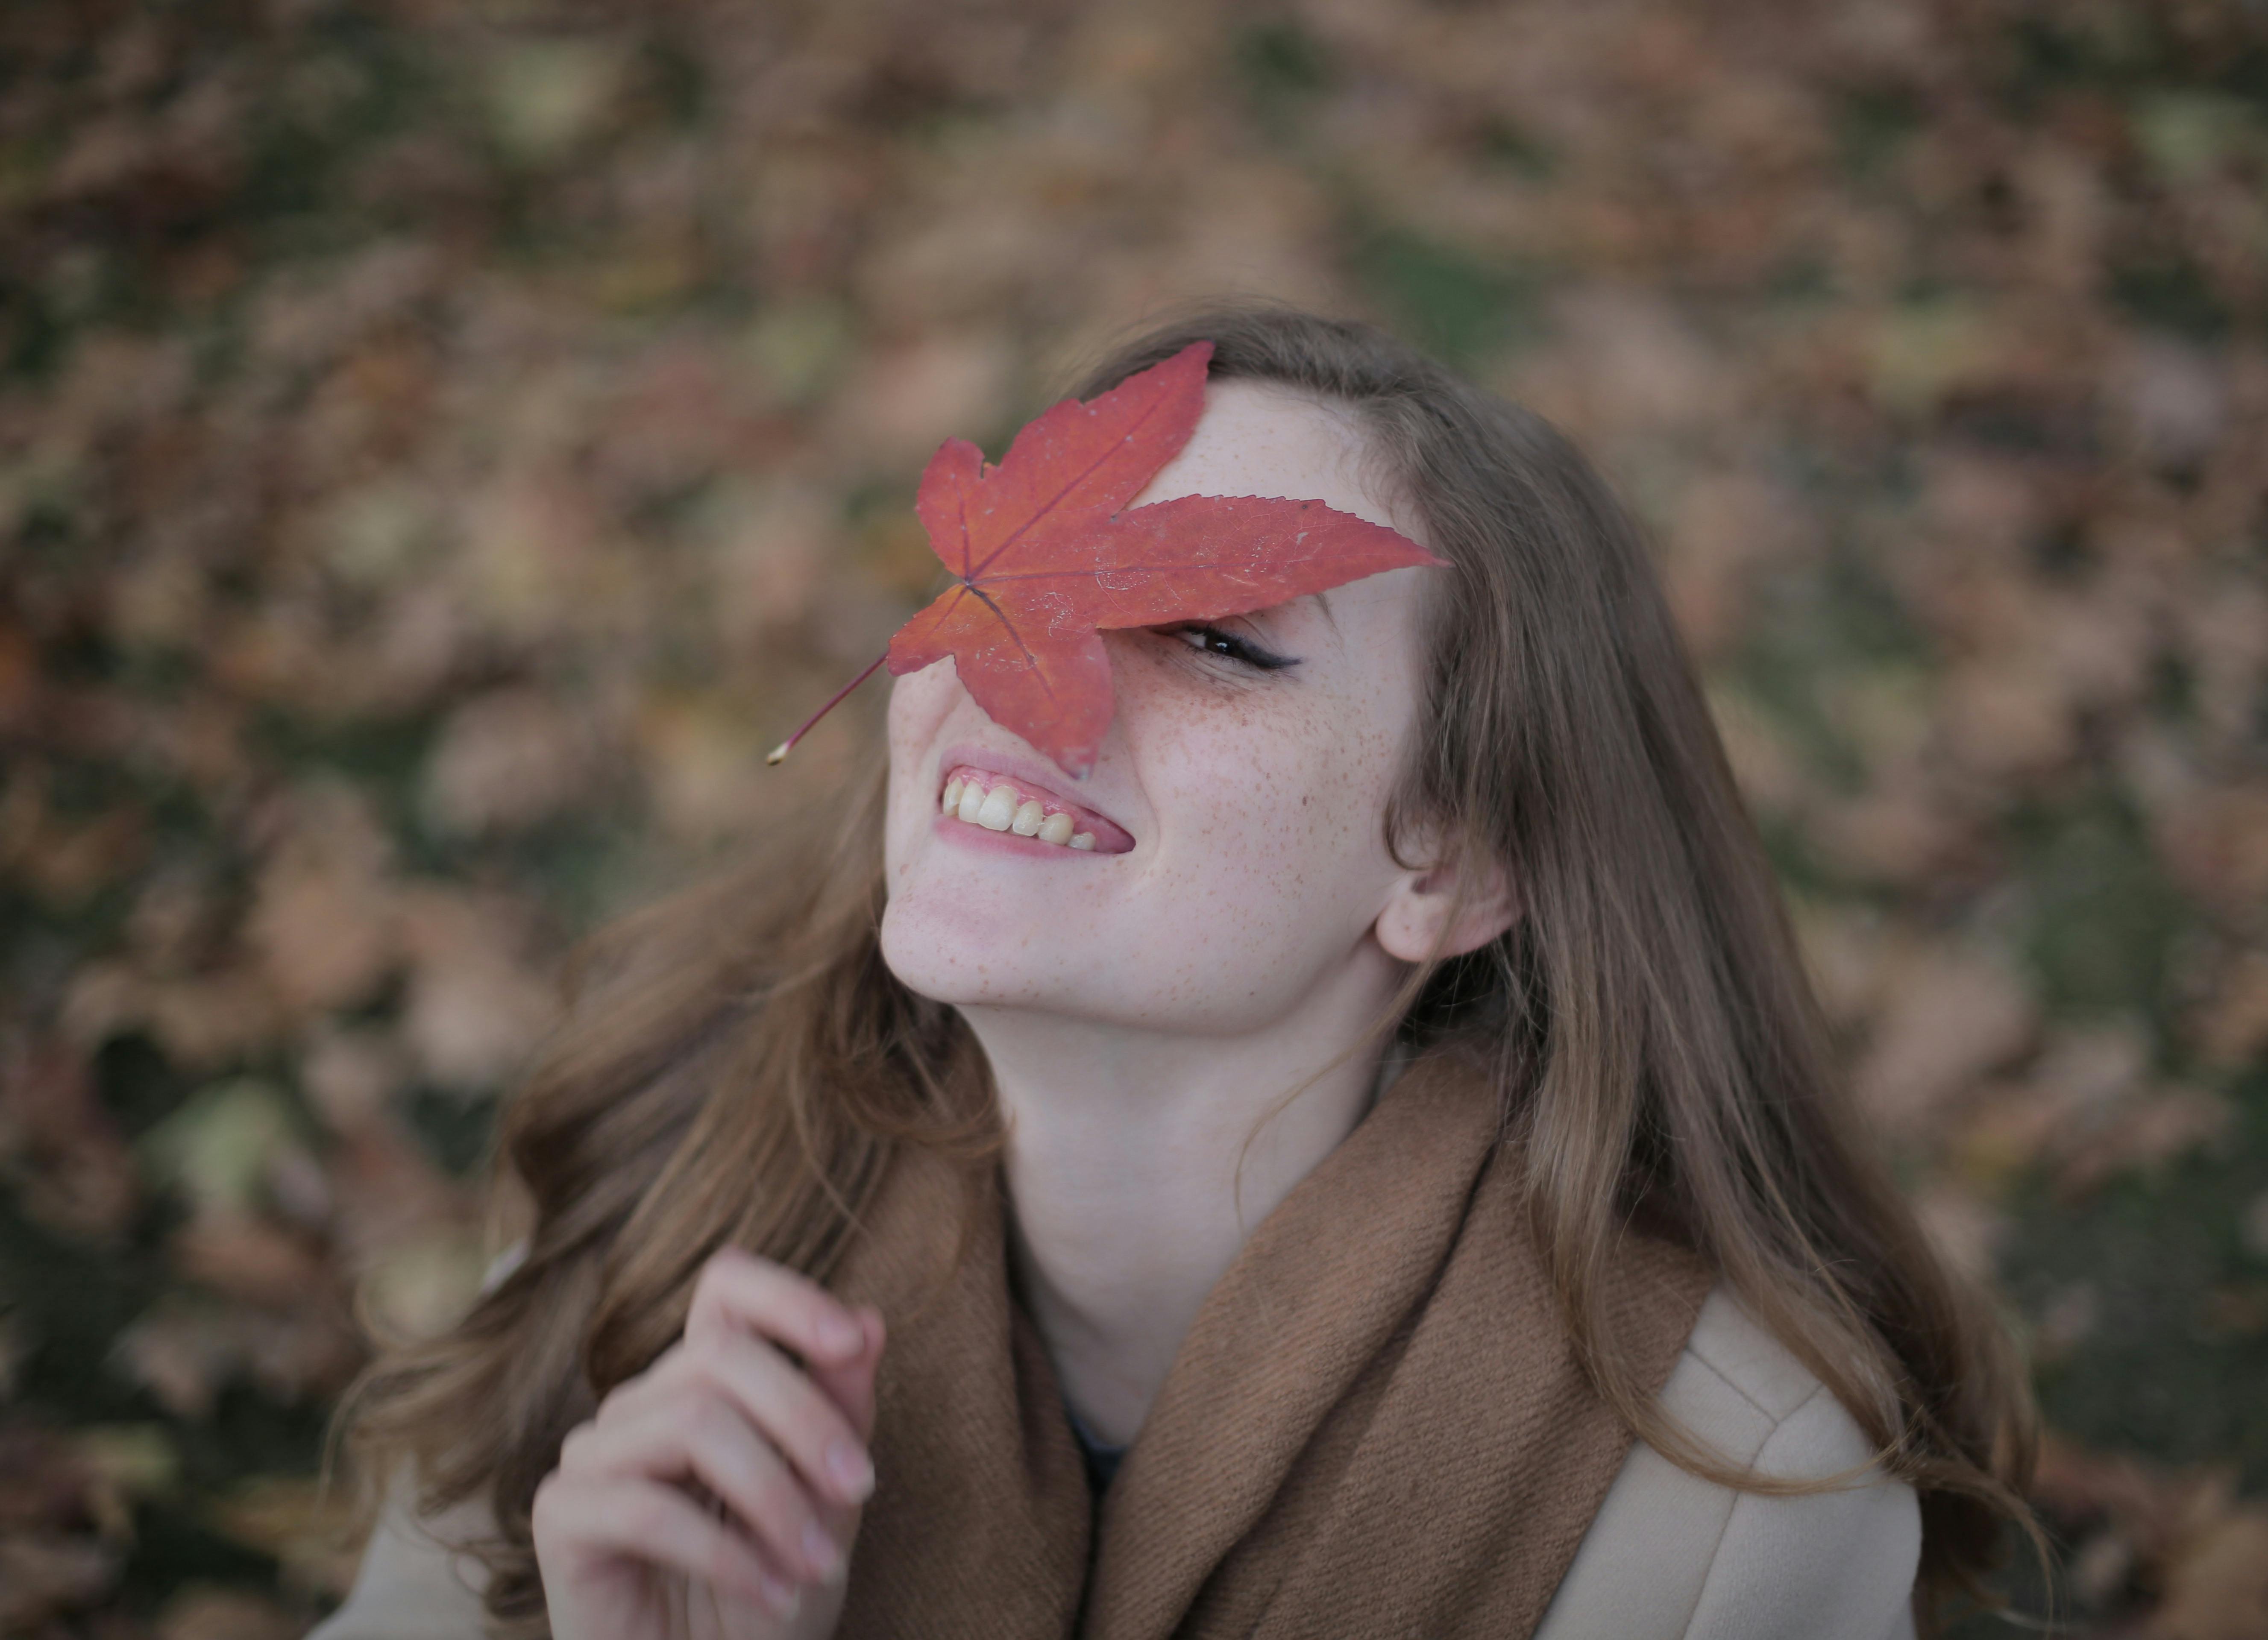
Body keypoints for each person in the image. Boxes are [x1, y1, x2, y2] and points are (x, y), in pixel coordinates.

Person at [308, 305, 2040, 1640]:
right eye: (1019, 585)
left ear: (1456, 863)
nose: (1027, 677)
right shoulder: (647, 1211)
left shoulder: (1727, 1521)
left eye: (1217, 638)